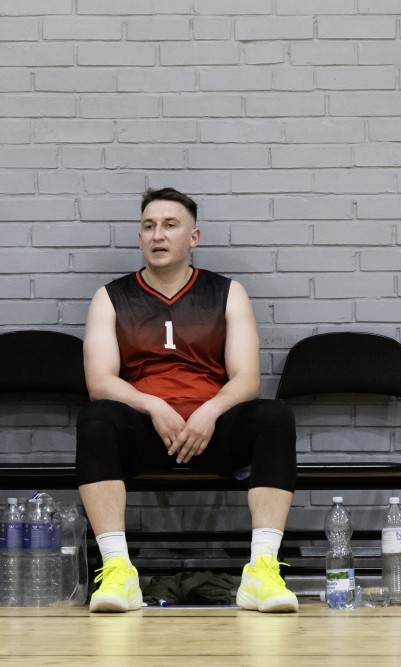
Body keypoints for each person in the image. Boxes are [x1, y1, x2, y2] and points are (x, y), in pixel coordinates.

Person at [76, 187, 299, 613]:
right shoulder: (111, 297)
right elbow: (99, 381)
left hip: (211, 432)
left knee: (274, 416)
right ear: (140, 237)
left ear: (193, 237)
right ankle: (119, 571)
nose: (157, 235)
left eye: (169, 225)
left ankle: (263, 571)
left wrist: (210, 411)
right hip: (146, 434)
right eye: (148, 226)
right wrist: (153, 405)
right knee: (96, 417)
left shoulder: (227, 292)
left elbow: (248, 379)